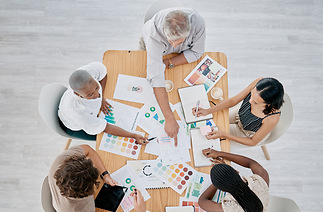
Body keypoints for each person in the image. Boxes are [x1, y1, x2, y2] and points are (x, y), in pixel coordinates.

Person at [140, 8, 206, 146]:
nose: (175, 46)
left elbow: (196, 52)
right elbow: (156, 78)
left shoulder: (197, 22)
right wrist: (169, 118)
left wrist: (170, 62)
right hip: (151, 49)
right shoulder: (153, 35)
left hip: (172, 61)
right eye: (170, 42)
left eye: (180, 41)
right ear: (164, 31)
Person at [48, 144, 146, 212]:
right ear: (88, 192)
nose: (95, 166)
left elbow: (88, 150)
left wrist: (105, 175)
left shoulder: (61, 161)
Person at [58, 62, 147, 144]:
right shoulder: (78, 112)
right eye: (90, 94)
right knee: (107, 140)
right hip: (75, 126)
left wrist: (102, 98)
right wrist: (133, 135)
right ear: (77, 94)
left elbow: (103, 74)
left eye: (96, 87)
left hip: (89, 116)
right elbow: (107, 128)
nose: (97, 95)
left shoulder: (88, 72)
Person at [192, 77, 284, 147]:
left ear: (269, 104)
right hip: (240, 115)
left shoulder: (272, 118)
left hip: (247, 133)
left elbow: (252, 142)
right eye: (251, 95)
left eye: (255, 102)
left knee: (210, 135)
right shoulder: (258, 83)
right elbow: (233, 101)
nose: (250, 101)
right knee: (211, 122)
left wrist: (225, 135)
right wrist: (208, 111)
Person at [198, 148, 269, 212]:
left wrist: (219, 181)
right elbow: (251, 163)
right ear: (236, 173)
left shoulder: (230, 209)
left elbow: (202, 202)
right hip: (259, 210)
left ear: (222, 190)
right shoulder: (261, 180)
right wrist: (220, 154)